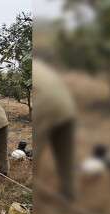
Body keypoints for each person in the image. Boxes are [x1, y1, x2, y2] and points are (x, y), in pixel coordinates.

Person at [33, 60, 76, 200]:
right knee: (65, 153)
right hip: (68, 106)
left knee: (36, 146)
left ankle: (29, 189)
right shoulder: (41, 65)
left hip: (46, 105)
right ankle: (68, 190)